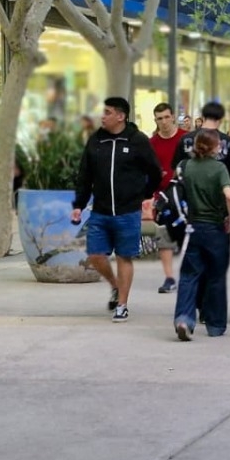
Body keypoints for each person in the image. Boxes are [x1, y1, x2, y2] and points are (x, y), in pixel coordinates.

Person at [72, 97, 162, 322]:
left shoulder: (137, 140)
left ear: (121, 116)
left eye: (108, 112)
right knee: (95, 255)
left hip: (127, 211)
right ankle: (114, 285)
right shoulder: (96, 141)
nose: (102, 116)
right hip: (100, 211)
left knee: (124, 256)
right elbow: (85, 175)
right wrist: (78, 205)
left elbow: (155, 172)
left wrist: (144, 195)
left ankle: (122, 304)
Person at [172, 130, 230, 340]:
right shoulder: (219, 168)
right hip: (215, 228)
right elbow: (228, 195)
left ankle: (184, 318)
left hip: (193, 226)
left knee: (189, 275)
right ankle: (216, 325)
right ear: (214, 147)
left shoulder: (188, 166)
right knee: (216, 277)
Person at [147, 103, 189, 294]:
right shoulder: (152, 143)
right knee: (164, 236)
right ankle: (169, 277)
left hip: (185, 193)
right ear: (155, 120)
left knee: (188, 236)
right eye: (159, 118)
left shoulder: (185, 138)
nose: (163, 121)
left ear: (173, 117)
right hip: (163, 195)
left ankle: (190, 274)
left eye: (166, 117)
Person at [174, 102, 230, 177]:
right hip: (219, 186)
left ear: (203, 117)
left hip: (189, 186)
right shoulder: (229, 142)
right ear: (221, 119)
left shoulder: (185, 138)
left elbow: (176, 166)